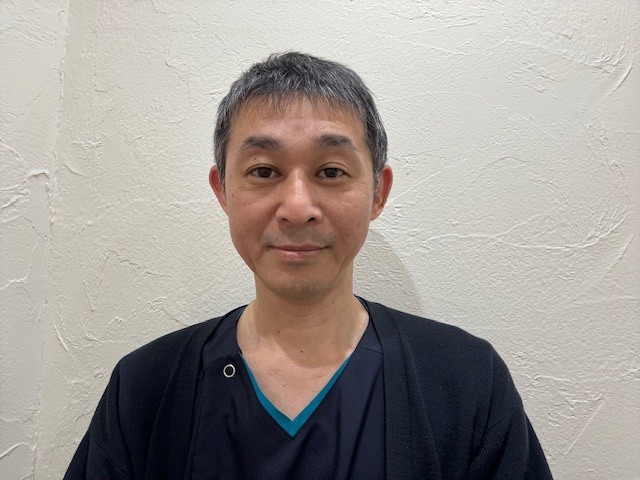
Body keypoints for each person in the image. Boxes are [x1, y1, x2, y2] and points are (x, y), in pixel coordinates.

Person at [64, 52, 553, 479]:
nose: (297, 207)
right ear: (223, 191)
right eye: (263, 171)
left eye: (331, 171)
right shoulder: (145, 387)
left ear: (378, 192)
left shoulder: (466, 380)